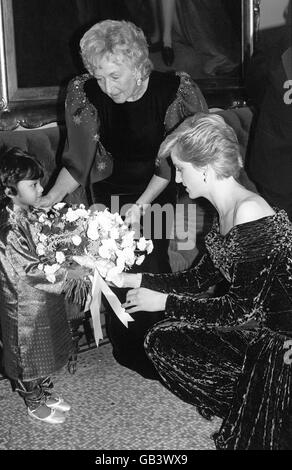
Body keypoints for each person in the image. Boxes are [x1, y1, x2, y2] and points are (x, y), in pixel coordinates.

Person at [111, 113, 292, 450]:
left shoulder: (249, 211)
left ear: (205, 168)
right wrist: (128, 277)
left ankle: (258, 405)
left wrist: (162, 302)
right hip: (261, 334)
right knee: (161, 341)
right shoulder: (224, 210)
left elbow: (239, 311)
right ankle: (246, 404)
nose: (178, 179)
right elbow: (197, 278)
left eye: (181, 169)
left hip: (281, 343)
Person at [38, 19, 208, 377]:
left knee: (151, 268)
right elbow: (78, 160)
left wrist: (143, 203)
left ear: (138, 64)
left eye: (114, 75)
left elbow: (179, 159)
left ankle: (160, 348)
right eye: (99, 76)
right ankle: (128, 349)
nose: (106, 86)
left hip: (157, 190)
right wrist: (50, 196)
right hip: (108, 194)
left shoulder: (173, 91)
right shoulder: (87, 94)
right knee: (113, 270)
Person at [0, 147, 75, 424]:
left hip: (42, 299)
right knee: (28, 354)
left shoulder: (27, 214)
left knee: (46, 346)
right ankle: (33, 400)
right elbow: (29, 269)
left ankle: (43, 389)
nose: (40, 189)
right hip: (24, 307)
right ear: (9, 191)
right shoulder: (8, 229)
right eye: (33, 184)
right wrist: (68, 274)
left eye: (39, 182)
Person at [246, 12, 292, 221]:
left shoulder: (273, 40)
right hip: (276, 165)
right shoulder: (273, 42)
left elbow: (255, 90)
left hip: (275, 162)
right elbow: (255, 89)